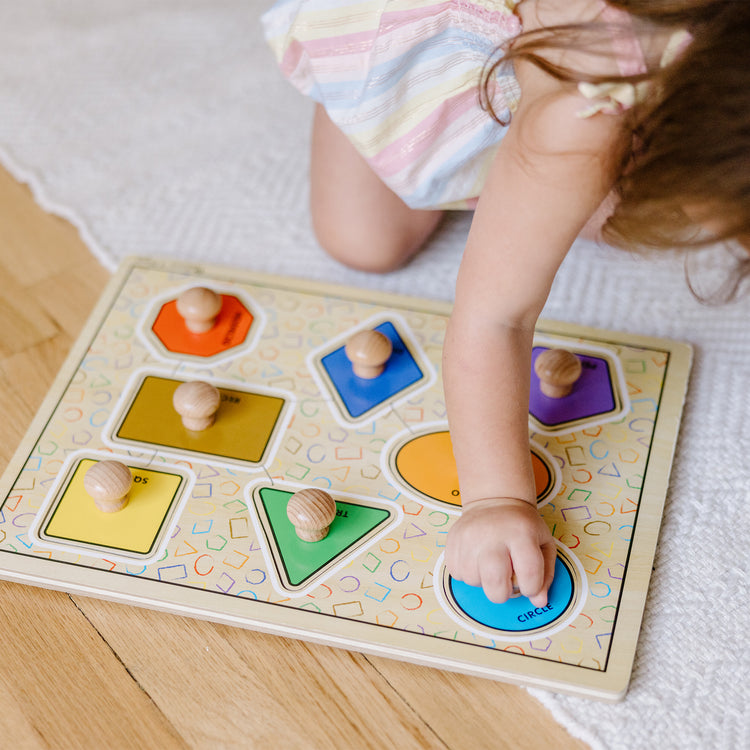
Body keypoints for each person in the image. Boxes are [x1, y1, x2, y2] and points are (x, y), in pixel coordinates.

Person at [263, 0, 750, 606]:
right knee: (365, 241)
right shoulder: (583, 113)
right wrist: (497, 501)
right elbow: (496, 317)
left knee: (607, 212)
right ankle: (372, 90)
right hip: (402, 26)